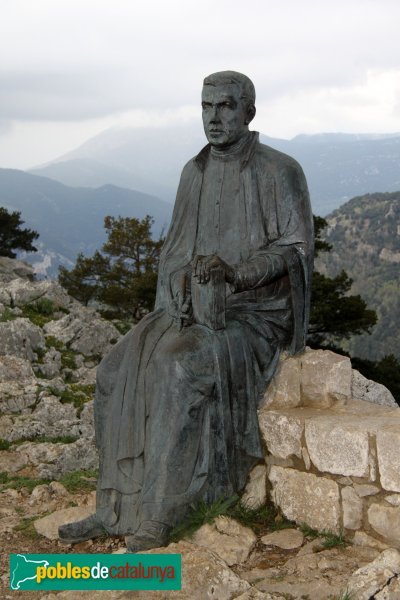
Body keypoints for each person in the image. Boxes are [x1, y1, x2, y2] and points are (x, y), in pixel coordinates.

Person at [59, 70, 313, 552]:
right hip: (193, 307)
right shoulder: (192, 173)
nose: (213, 117)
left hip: (254, 315)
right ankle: (113, 506)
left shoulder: (280, 171)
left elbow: (295, 250)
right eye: (206, 106)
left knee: (177, 367)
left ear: (249, 111)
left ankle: (158, 513)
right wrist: (181, 280)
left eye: (225, 106)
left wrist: (235, 274)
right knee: (116, 368)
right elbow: (174, 251)